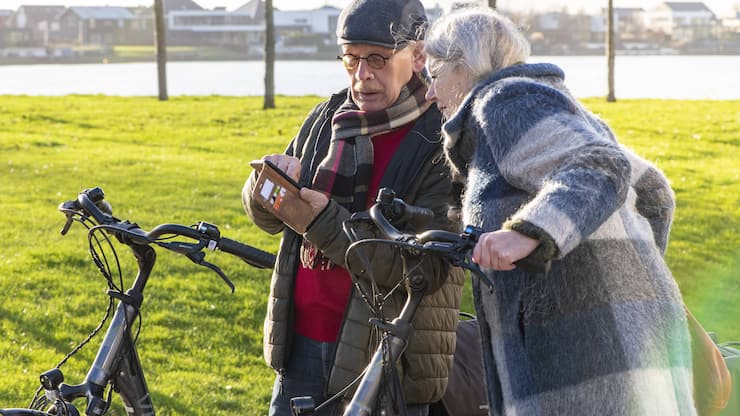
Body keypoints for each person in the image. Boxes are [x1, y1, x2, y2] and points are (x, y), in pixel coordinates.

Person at [423, 8, 695, 416]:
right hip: (630, 346)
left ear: (462, 68)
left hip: (584, 363)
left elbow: (599, 165)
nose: (429, 93)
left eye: (432, 75)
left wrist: (528, 233)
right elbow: (654, 194)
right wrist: (628, 278)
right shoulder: (555, 104)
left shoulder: (504, 100)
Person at [242, 1, 463, 414]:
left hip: (387, 359)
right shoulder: (329, 116)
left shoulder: (444, 141)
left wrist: (318, 221)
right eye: (351, 59)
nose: (362, 76)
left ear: (417, 56)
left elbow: (425, 270)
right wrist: (265, 186)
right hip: (300, 346)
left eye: (377, 59)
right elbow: (268, 218)